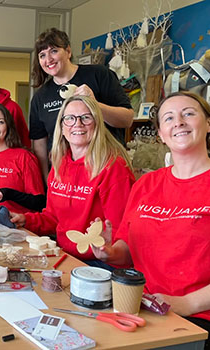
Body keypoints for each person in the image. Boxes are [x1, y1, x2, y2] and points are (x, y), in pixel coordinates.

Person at [93, 91, 210, 346]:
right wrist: (109, 252)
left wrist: (185, 303)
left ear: (208, 123)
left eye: (188, 114)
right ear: (160, 133)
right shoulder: (147, 184)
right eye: (168, 118)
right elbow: (128, 252)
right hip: (141, 307)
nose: (178, 122)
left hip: (197, 320)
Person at [11, 95, 135, 269]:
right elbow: (53, 219)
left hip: (100, 263)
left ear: (98, 123)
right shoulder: (60, 163)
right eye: (69, 118)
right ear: (61, 127)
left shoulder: (113, 167)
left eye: (86, 117)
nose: (77, 124)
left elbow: (122, 232)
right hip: (65, 254)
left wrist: (109, 253)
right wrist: (24, 219)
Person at [29, 28, 134, 182]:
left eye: (54, 51)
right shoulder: (40, 97)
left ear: (68, 51)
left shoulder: (99, 75)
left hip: (105, 171)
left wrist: (95, 104)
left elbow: (127, 119)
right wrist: (47, 180)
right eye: (42, 55)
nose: (48, 59)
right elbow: (40, 146)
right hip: (65, 177)